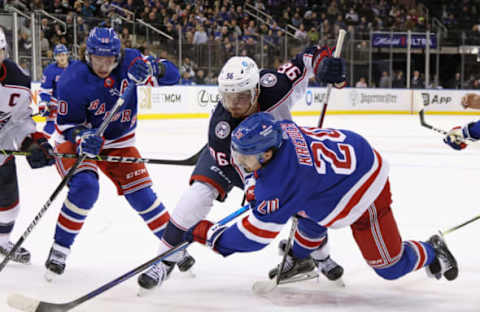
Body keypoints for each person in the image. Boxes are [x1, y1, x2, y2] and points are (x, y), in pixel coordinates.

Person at [137, 45, 348, 291]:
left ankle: (316, 255)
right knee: (194, 198)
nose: (234, 104)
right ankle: (165, 260)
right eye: (228, 97)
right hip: (230, 160)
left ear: (256, 89)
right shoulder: (221, 127)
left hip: (277, 159)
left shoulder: (275, 86)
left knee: (307, 201)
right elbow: (238, 167)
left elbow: (309, 57)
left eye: (242, 97)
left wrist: (327, 67)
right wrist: (253, 188)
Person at [188, 112, 459, 284]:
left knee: (389, 267)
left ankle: (432, 250)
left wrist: (209, 235)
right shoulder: (279, 129)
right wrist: (252, 185)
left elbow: (253, 237)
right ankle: (302, 257)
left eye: (245, 158)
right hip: (342, 164)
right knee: (307, 207)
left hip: (364, 188)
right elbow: (272, 180)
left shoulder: (282, 184)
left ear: (267, 154)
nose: (240, 163)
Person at [44, 27, 194, 281]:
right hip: (78, 141)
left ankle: (172, 246)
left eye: (110, 59)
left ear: (118, 55)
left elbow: (174, 76)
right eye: (98, 58)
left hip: (119, 140)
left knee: (142, 194)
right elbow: (68, 126)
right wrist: (81, 137)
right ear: (87, 54)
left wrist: (155, 69)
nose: (104, 65)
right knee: (85, 187)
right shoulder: (72, 79)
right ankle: (60, 249)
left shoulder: (131, 61)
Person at [0, 27, 55, 264]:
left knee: (10, 207)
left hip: (1, 153)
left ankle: (2, 243)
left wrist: (32, 141)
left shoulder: (18, 80)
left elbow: (20, 121)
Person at [38, 44, 74, 138]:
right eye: (58, 55)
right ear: (55, 57)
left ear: (67, 55)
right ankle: (44, 148)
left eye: (63, 55)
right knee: (50, 128)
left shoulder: (76, 66)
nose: (61, 57)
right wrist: (44, 104)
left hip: (74, 104)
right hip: (57, 104)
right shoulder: (50, 70)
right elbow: (45, 89)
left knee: (74, 130)